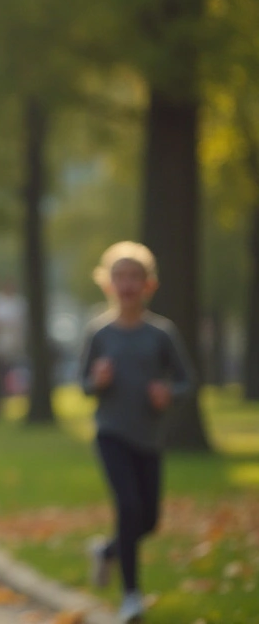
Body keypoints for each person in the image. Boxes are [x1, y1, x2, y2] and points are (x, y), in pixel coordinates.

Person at [79, 241, 193, 624]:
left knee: (149, 521)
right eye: (120, 276)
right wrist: (97, 380)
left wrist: (169, 392)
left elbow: (186, 380)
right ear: (108, 284)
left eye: (135, 277)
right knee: (128, 508)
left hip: (149, 437)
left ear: (149, 285)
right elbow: (82, 384)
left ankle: (107, 552)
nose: (127, 284)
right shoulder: (100, 333)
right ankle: (131, 596)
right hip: (111, 433)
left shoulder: (161, 334)